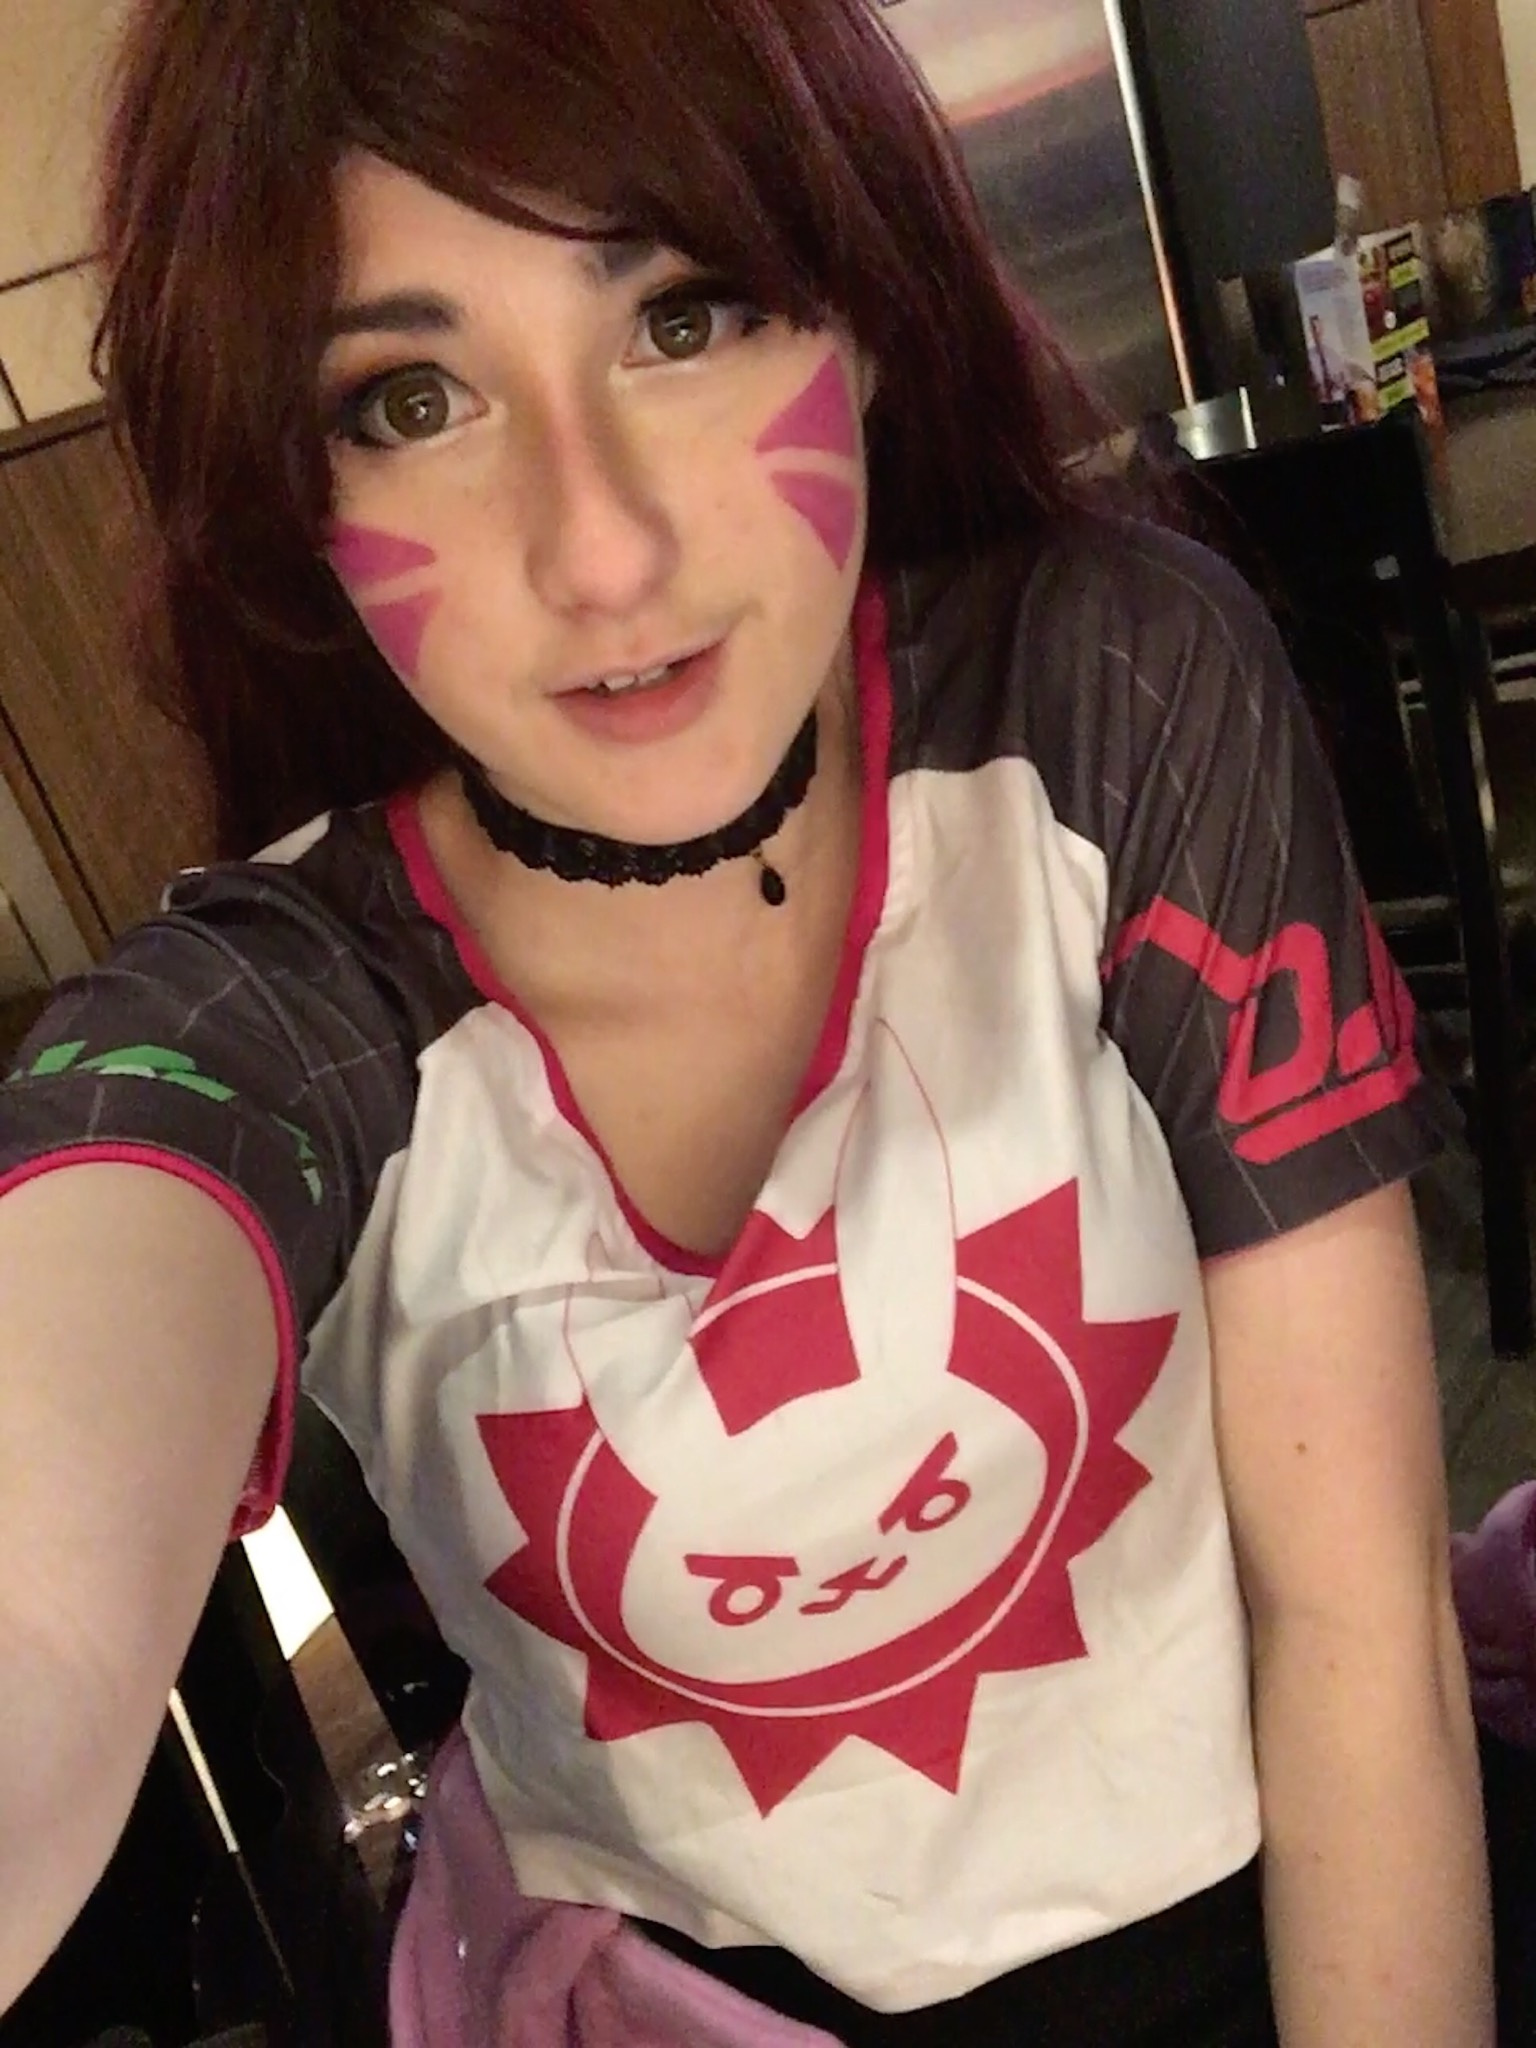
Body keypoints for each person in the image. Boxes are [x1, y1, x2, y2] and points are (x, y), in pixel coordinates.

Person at [0, 1, 1495, 2042]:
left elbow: (1356, 1623)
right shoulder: (285, 1009)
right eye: (414, 398)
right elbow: (40, 1586)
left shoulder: (1111, 703)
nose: (602, 547)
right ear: (299, 498)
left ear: (861, 315)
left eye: (684, 317)